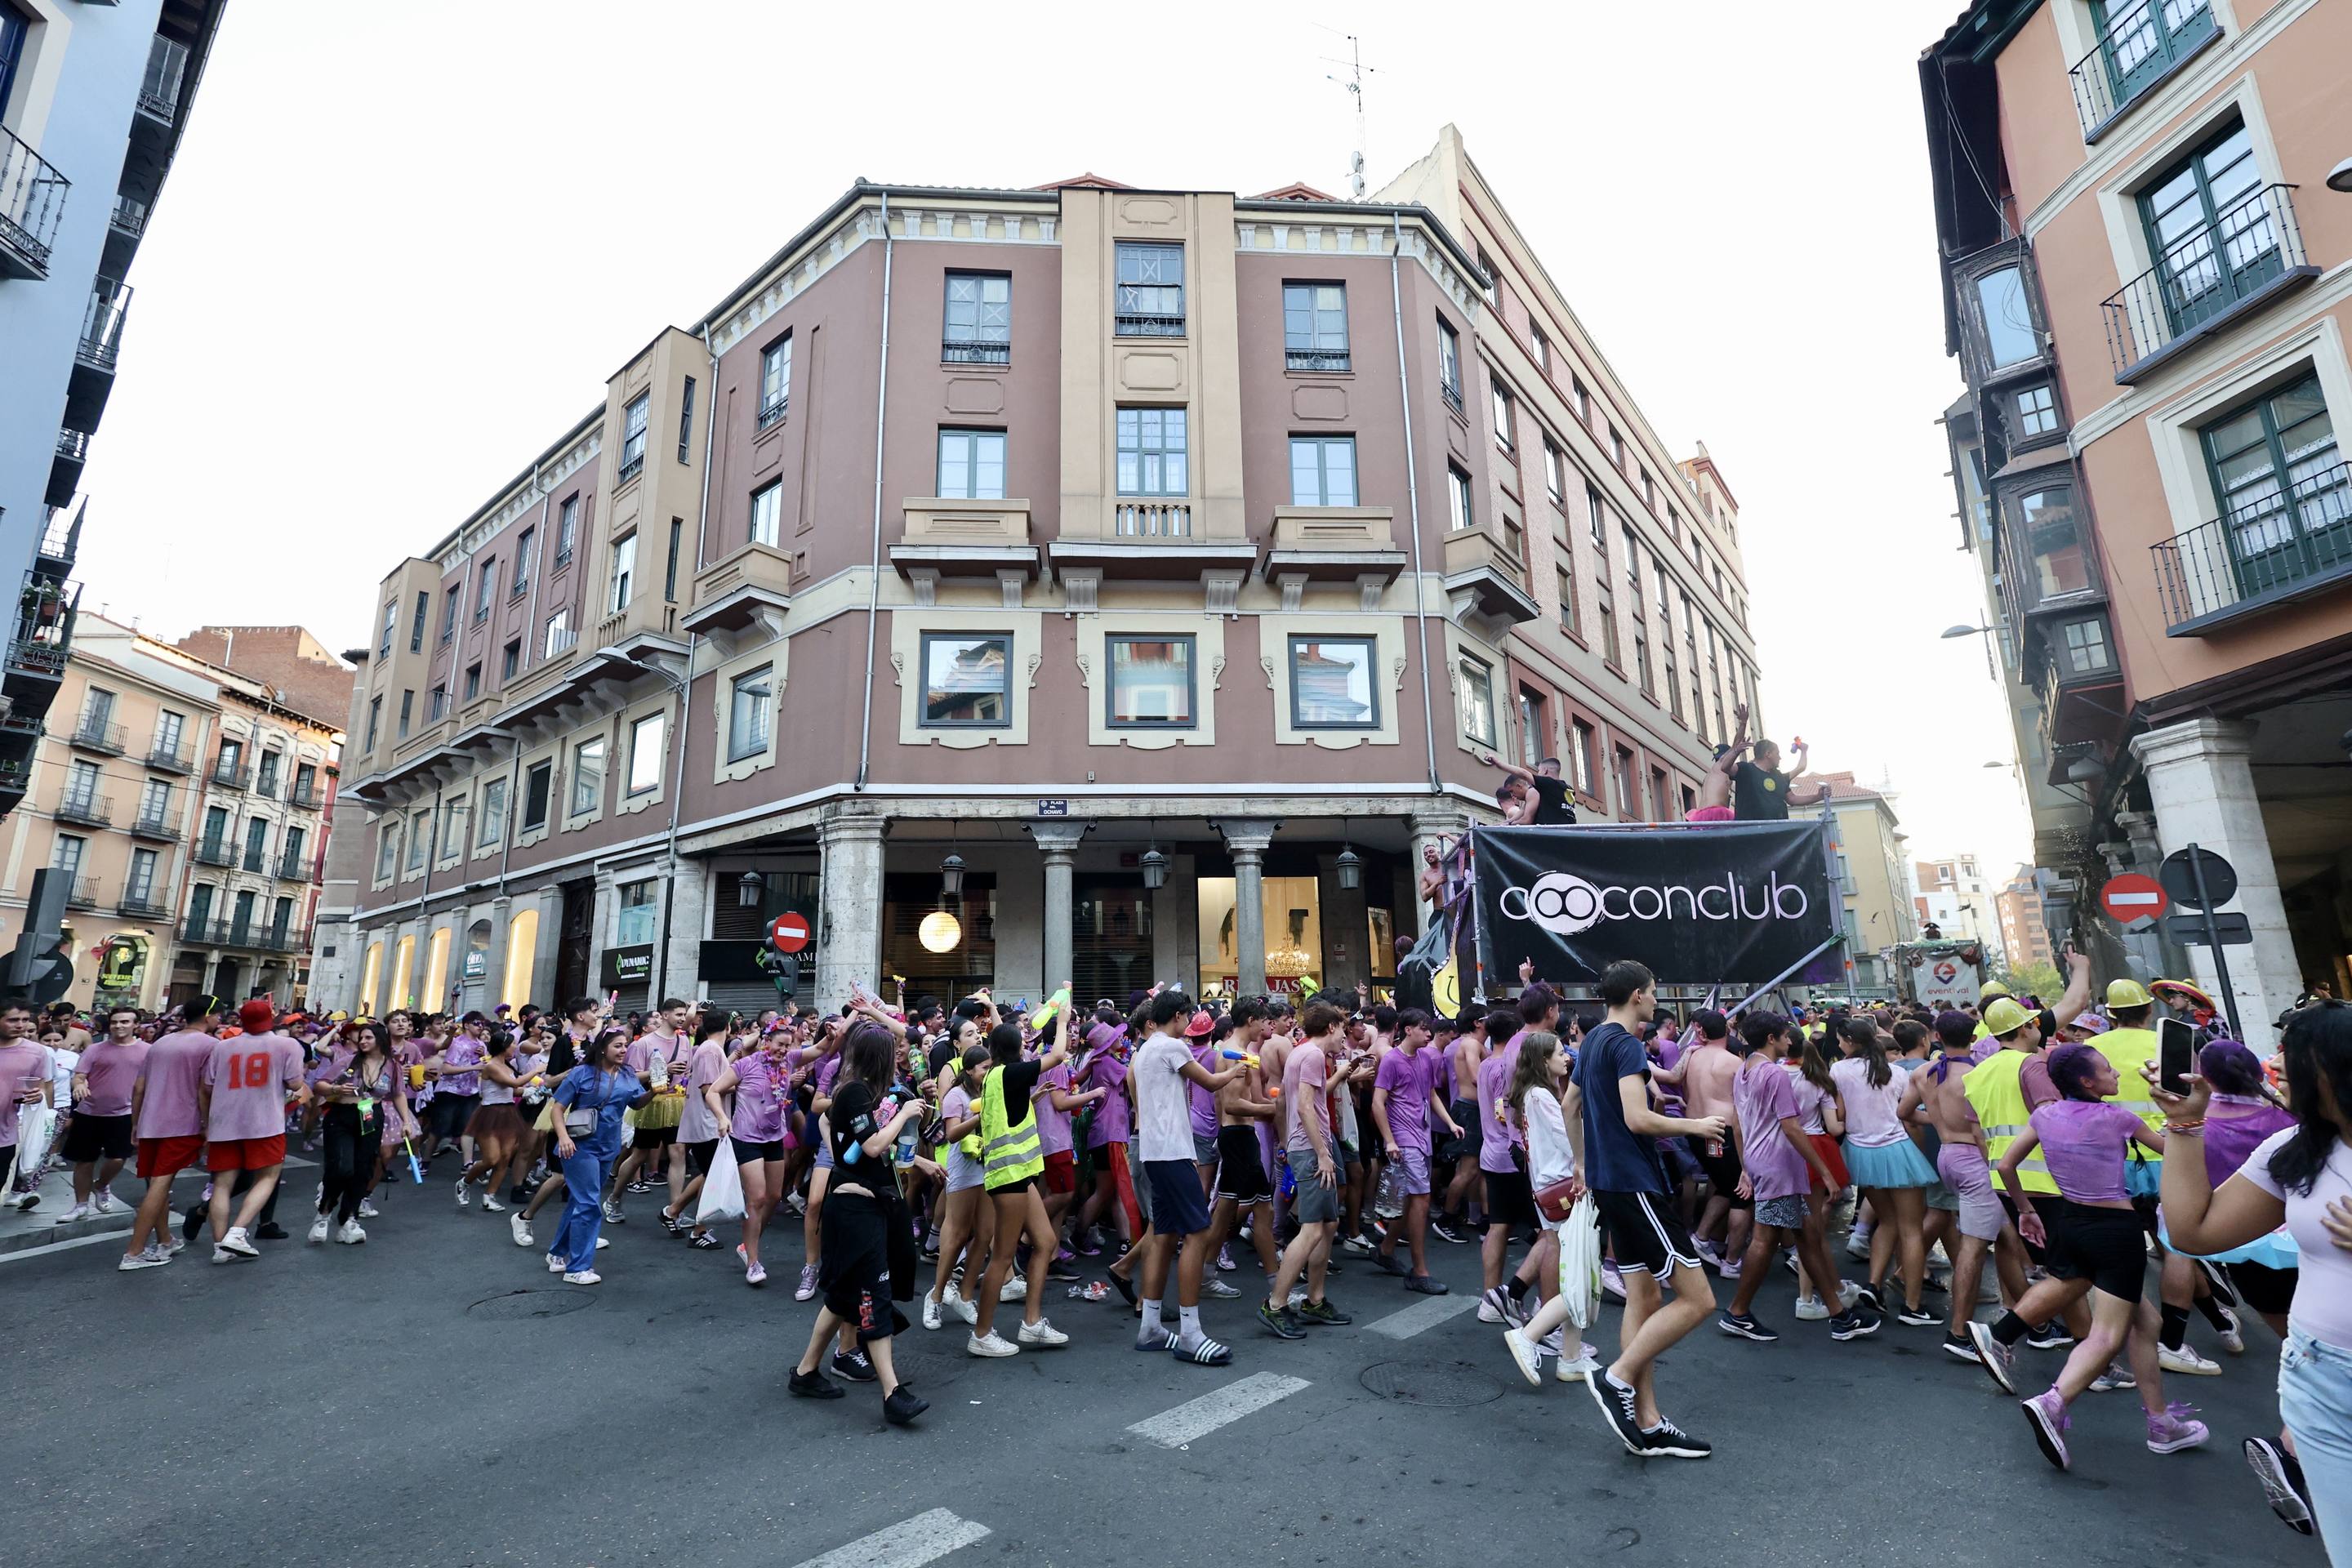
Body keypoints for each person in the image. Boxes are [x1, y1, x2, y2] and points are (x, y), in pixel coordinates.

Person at [2154, 1004, 2351, 1551]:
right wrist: (2184, 1124)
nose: (2274, 1067)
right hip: (2318, 1380)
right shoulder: (2294, 1151)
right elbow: (2194, 1232)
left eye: (2293, 1058)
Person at [1981, 1042, 2207, 1472]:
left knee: (2147, 1322)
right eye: (2108, 1070)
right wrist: (2191, 1118)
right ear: (2088, 1081)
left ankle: (2161, 1423)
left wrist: (2026, 1210)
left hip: (2072, 1224)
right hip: (2115, 1231)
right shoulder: (2117, 1117)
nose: (2116, 1075)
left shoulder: (2044, 1115)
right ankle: (2054, 1401)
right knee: (2107, 1336)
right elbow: (2173, 1151)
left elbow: (2007, 1165)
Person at [1573, 960, 1727, 1459]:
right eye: (1656, 991)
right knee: (1700, 1300)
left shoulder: (1594, 1039)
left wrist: (1581, 1161)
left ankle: (1649, 1421)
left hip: (1609, 1183)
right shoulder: (1623, 1045)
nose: (1658, 998)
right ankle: (1616, 1378)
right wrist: (1697, 1126)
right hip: (1634, 1184)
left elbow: (1571, 1103)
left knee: (1644, 1300)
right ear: (1638, 995)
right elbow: (1638, 1119)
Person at [788, 1019, 929, 1426]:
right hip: (854, 1211)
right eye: (893, 1053)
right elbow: (870, 1144)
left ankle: (805, 1372)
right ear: (879, 1058)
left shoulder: (859, 1094)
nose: (899, 1057)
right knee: (873, 1295)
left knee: (844, 1297)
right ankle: (893, 1392)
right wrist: (901, 1115)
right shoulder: (853, 1091)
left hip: (865, 1205)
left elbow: (845, 1137)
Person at [1717, 1011, 1873, 1343]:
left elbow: (1738, 1124)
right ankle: (1738, 1311)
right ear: (1772, 1039)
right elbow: (1791, 1126)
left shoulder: (1744, 1071)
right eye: (1785, 1035)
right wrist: (1824, 1172)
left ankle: (1839, 1315)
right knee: (1766, 1239)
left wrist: (1747, 1166)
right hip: (1779, 1165)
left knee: (1806, 1236)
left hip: (1765, 1162)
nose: (1791, 1040)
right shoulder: (1774, 1074)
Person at [1126, 990, 1245, 1364]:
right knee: (1197, 1232)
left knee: (1163, 1235)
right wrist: (1236, 1071)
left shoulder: (1144, 1049)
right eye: (1187, 1017)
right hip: (1173, 1151)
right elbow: (1209, 1083)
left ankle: (1151, 1326)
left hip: (1154, 1151)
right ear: (1178, 1016)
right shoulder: (1172, 1048)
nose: (1189, 1024)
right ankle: (1191, 1333)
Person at [1901, 1009, 2025, 1361]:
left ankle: (2036, 1321)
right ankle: (1958, 1332)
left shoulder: (1926, 1072)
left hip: (1947, 1157)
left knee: (2006, 1236)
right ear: (1974, 1038)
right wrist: (2000, 1170)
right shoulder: (1977, 1074)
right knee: (1974, 1247)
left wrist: (1940, 1122)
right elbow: (1977, 1131)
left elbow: (1905, 1113)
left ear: (1936, 1036)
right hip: (1974, 1161)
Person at [968, 994, 1084, 1357]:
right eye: (1021, 1038)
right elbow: (1056, 1056)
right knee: (1002, 1258)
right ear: (1016, 1048)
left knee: (1046, 1242)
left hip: (1018, 1174)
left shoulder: (998, 1076)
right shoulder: (1009, 1073)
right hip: (1009, 1176)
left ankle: (1031, 1324)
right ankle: (982, 1334)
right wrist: (1062, 1021)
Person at [1499, 1031, 1595, 1385]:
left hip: (1551, 1185)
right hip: (1562, 1187)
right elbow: (1566, 1137)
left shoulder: (1537, 1093)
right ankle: (1536, 1336)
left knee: (1577, 1270)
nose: (1566, 1057)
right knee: (1578, 1270)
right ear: (1543, 1061)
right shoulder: (1541, 1095)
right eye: (1559, 1053)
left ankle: (1570, 1353)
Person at [1830, 1018, 1940, 1325]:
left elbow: (1839, 1113)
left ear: (1850, 1041)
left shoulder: (1839, 1070)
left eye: (1840, 1040)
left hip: (1860, 1152)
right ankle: (1913, 1306)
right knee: (1911, 1229)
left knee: (1888, 1221)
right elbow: (1910, 1119)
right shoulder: (1896, 1073)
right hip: (1897, 1150)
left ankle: (1874, 1286)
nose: (1838, 1044)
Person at [198, 1000, 309, 1264]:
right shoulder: (287, 1045)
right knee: (268, 1177)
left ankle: (219, 1245)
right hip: (265, 1121)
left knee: (222, 1185)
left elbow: (209, 1085)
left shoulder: (222, 1046)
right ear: (271, 1018)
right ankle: (237, 1232)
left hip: (224, 1122)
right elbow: (295, 1083)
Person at [118, 996, 222, 1270]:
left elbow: (138, 1087)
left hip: (152, 1120)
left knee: (156, 1185)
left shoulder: (161, 1042)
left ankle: (166, 1240)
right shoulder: (212, 1045)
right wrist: (207, 1125)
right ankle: (134, 1252)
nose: (220, 1021)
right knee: (160, 1186)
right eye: (218, 1015)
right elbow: (204, 1090)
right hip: (182, 1122)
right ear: (209, 1016)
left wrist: (136, 1123)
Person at [546, 1028, 651, 1285]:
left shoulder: (627, 1074)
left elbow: (636, 1103)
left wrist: (656, 1092)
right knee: (589, 1205)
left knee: (580, 1202)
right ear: (603, 1048)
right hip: (579, 1146)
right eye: (617, 1046)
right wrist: (563, 1138)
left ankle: (557, 1252)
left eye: (625, 1045)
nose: (623, 1050)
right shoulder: (581, 1073)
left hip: (608, 1146)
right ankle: (577, 1268)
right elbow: (558, 1109)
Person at [1373, 1007, 1459, 1294]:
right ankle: (1419, 1271)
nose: (1428, 1034)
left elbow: (1430, 1094)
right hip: (1404, 1137)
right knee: (1421, 1199)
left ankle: (1385, 1250)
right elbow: (1377, 1102)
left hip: (1421, 1135)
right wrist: (1390, 1140)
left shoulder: (1425, 1058)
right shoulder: (1391, 1060)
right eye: (1423, 1028)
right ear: (1407, 1029)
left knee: (1411, 1200)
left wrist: (1450, 1122)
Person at [310, 1020, 403, 1244]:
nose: (363, 1041)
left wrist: (406, 1121)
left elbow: (398, 1094)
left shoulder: (392, 1066)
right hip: (342, 1115)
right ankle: (324, 1213)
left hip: (371, 1116)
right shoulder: (347, 1061)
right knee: (342, 1168)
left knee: (363, 1170)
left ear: (380, 1040)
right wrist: (335, 1088)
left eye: (368, 1037)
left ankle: (349, 1220)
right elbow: (319, 1084)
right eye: (361, 1038)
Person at [1675, 1009, 1750, 1277]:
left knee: (1726, 1186)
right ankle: (1731, 1262)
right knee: (1743, 1194)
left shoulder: (1693, 1056)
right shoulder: (1733, 1063)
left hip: (1696, 1131)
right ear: (1728, 1032)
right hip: (1721, 1132)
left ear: (1701, 1032)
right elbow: (1745, 1111)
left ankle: (1704, 1238)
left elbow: (1673, 1078)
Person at [59, 1005, 144, 1221]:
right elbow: (79, 1075)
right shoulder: (95, 1049)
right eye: (115, 1022)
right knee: (84, 1161)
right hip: (89, 1112)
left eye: (125, 1022)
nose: (119, 1026)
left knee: (118, 1158)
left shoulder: (147, 1051)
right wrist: (78, 1084)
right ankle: (80, 1205)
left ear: (136, 1025)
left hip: (124, 1113)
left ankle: (102, 1184)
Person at [455, 1028, 529, 1214]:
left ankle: (490, 1196)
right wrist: (537, 1071)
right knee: (491, 1158)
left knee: (504, 1158)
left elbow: (514, 1090)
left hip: (508, 1112)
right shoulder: (491, 1066)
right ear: (504, 1046)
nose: (515, 1047)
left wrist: (534, 1090)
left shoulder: (508, 1066)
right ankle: (464, 1183)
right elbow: (514, 1084)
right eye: (512, 1043)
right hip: (489, 1113)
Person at [0, 999, 52, 1211]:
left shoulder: (37, 1052)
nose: (20, 1025)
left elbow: (39, 1088)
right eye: (13, 1020)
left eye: (24, 1020)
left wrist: (37, 1097)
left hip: (6, 1133)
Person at [1731, 735, 1827, 820]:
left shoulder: (1778, 776)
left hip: (1778, 831)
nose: (1780, 758)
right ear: (1767, 754)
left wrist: (1819, 796)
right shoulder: (1746, 769)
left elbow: (1792, 799)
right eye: (1777, 753)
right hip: (1751, 832)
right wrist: (1735, 751)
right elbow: (1724, 767)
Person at [1688, 702, 1750, 822]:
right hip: (1714, 813)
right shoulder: (1722, 765)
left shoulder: (1710, 774)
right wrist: (1743, 723)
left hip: (1699, 816)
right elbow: (1736, 744)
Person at [1478, 752, 1576, 825]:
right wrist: (1494, 826)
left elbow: (1524, 774)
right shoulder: (1568, 790)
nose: (1538, 774)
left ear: (1545, 770)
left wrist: (1499, 764)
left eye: (1539, 771)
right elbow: (1513, 819)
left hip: (1552, 838)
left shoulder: (1548, 784)